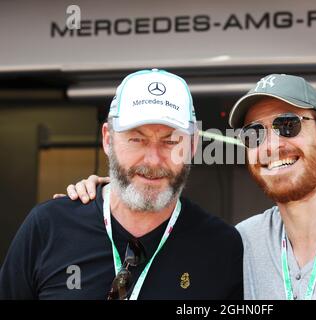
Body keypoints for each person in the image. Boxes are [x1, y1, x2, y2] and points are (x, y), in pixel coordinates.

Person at [55, 74, 316, 300]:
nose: (272, 144)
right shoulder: (240, 243)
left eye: (288, 124)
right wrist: (106, 195)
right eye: (255, 132)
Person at [0, 69, 243, 300]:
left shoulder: (220, 246)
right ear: (108, 139)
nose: (153, 160)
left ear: (192, 147)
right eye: (137, 139)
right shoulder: (49, 226)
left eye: (170, 141)